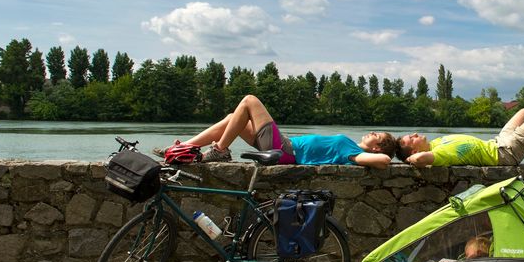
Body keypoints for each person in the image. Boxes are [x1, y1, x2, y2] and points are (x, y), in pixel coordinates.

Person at [154, 94, 396, 168]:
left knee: (249, 100)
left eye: (378, 136)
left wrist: (382, 155)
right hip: (283, 146)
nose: (372, 132)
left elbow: (384, 161)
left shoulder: (353, 153)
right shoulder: (351, 148)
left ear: (377, 146)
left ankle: (219, 149)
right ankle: (184, 148)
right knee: (231, 119)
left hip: (284, 150)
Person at [396, 108, 524, 168]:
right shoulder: (437, 154)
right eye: (409, 139)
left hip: (497, 142)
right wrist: (411, 160)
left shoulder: (436, 143)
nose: (414, 134)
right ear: (414, 151)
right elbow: (422, 160)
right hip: (504, 154)